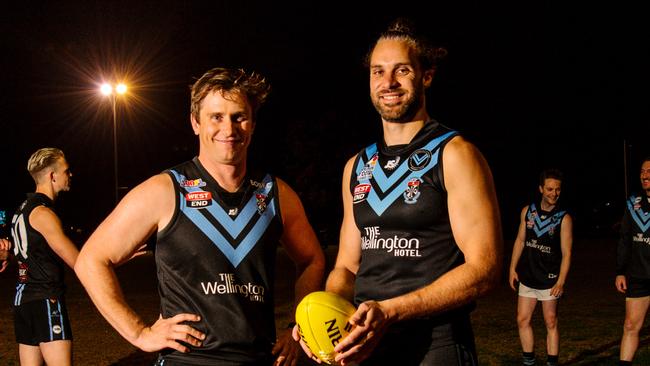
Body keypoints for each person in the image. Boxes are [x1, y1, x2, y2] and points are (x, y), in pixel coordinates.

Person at [74, 67, 325, 365]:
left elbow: (312, 259)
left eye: (239, 117)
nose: (229, 129)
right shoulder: (165, 190)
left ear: (253, 124)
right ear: (195, 122)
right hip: (187, 360)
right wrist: (139, 333)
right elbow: (91, 260)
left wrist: (296, 327)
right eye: (216, 117)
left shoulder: (275, 193)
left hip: (259, 359)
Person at [297, 19, 503, 365]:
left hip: (435, 344)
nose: (388, 82)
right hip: (367, 343)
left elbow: (485, 268)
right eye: (378, 72)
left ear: (427, 75)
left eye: (401, 70)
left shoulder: (455, 153)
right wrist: (324, 316)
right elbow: (347, 267)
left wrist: (390, 311)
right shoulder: (356, 166)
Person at [10, 147, 78, 366]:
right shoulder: (43, 213)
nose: (70, 175)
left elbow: (26, 253)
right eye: (66, 170)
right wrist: (116, 258)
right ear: (52, 176)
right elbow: (77, 261)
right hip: (45, 299)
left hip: (23, 302)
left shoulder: (21, 210)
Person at [508, 169, 573, 366]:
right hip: (528, 276)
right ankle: (529, 361)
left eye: (558, 190)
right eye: (550, 189)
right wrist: (512, 268)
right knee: (522, 320)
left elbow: (567, 252)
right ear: (541, 189)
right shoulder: (528, 211)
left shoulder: (564, 218)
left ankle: (552, 363)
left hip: (549, 279)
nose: (554, 193)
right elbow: (520, 240)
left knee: (550, 321)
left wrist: (561, 281)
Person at [616, 156, 650, 365]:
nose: (645, 175)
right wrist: (620, 270)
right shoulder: (633, 204)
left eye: (649, 171)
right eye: (642, 171)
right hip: (639, 276)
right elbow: (624, 239)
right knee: (630, 326)